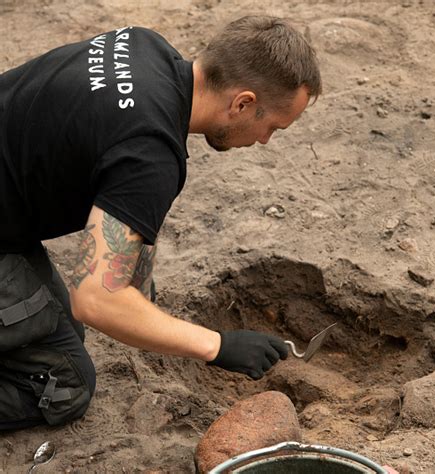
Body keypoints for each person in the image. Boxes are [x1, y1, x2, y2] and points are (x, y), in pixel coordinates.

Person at [0, 15, 322, 429]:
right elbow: (95, 299)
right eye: (271, 126)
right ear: (242, 103)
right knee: (65, 383)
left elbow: (125, 203)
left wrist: (142, 301)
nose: (264, 141)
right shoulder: (149, 154)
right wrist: (217, 345)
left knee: (62, 333)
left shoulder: (142, 46)